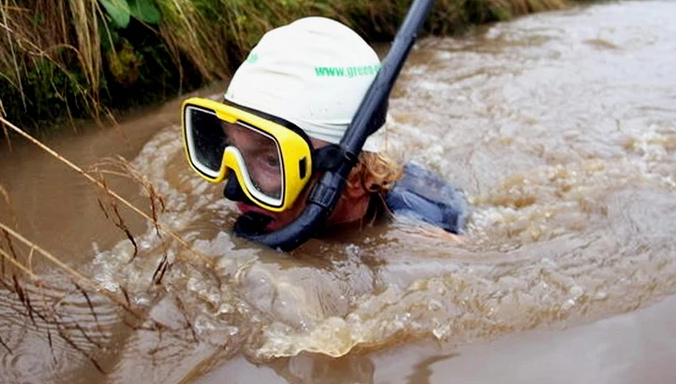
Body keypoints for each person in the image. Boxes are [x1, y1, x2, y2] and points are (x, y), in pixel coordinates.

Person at [181, 17, 468, 238]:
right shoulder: (266, 205)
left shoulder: (423, 231)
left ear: (355, 177)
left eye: (272, 160)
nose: (232, 190)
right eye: (229, 150)